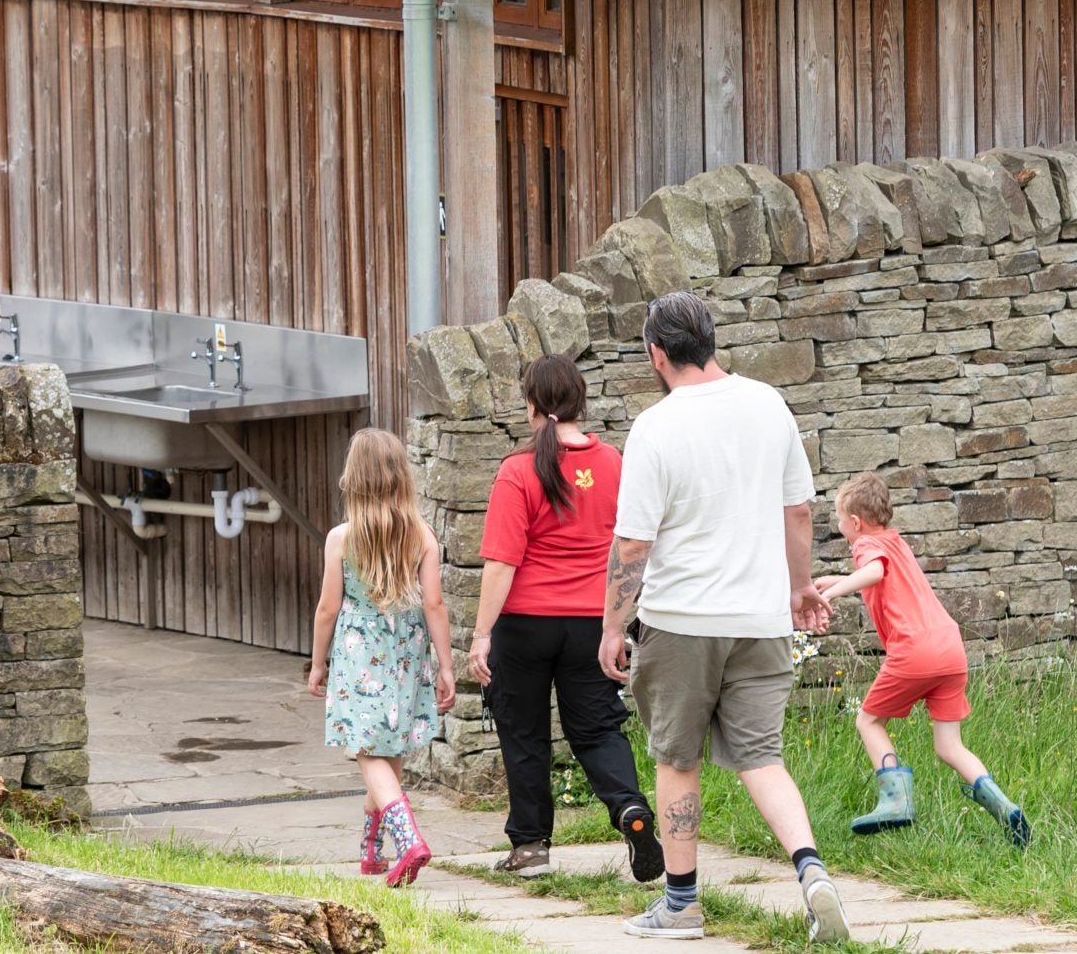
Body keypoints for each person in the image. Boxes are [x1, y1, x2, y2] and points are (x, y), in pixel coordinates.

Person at [601, 293, 849, 944]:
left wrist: (610, 627)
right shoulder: (769, 405)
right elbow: (798, 511)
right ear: (710, 341)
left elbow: (633, 546)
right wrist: (799, 590)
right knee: (761, 757)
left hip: (682, 621)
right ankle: (812, 873)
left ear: (657, 354)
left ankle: (681, 906)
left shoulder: (656, 427)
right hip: (762, 617)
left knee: (677, 758)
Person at [469, 353, 662, 883]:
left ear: (532, 404)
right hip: (592, 624)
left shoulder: (518, 470)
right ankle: (630, 811)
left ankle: (530, 850)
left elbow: (502, 561)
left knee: (523, 731)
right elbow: (632, 544)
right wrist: (617, 624)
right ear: (580, 400)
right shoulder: (614, 464)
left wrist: (482, 634)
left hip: (525, 625)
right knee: (598, 729)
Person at [814, 473, 1030, 847]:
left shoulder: (864, 546)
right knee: (949, 747)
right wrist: (833, 579)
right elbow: (882, 575)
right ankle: (1005, 808)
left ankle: (895, 801)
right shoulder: (894, 542)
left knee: (868, 720)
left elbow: (875, 571)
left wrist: (832, 592)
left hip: (915, 651)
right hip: (950, 648)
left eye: (838, 520)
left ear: (854, 523)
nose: (839, 527)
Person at [306, 426, 457, 887]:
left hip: (358, 654)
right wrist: (445, 665)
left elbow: (329, 607)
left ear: (355, 478)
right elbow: (434, 604)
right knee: (389, 745)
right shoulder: (422, 536)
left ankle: (408, 837)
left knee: (366, 748)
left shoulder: (341, 538)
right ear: (400, 478)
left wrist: (318, 663)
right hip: (407, 651)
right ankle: (372, 851)